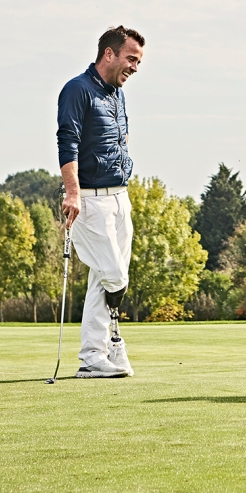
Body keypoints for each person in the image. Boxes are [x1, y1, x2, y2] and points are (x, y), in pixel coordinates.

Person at [57, 25, 145, 379]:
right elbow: (68, 141)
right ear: (109, 53)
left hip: (120, 197)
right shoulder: (77, 90)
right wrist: (73, 193)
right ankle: (113, 341)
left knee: (100, 277)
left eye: (138, 62)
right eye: (131, 59)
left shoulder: (117, 94)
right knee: (114, 276)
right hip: (90, 200)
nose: (135, 68)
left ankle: (93, 357)